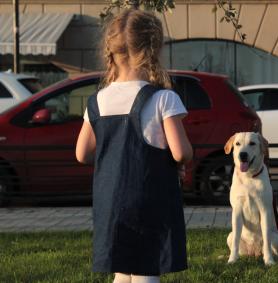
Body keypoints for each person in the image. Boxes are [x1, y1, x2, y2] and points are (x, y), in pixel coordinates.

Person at [75, 9, 192, 283]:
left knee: (122, 268)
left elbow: (82, 153)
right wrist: (183, 160)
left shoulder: (98, 100)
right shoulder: (163, 98)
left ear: (112, 51)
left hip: (110, 201)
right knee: (146, 268)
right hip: (149, 199)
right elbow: (181, 152)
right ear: (153, 49)